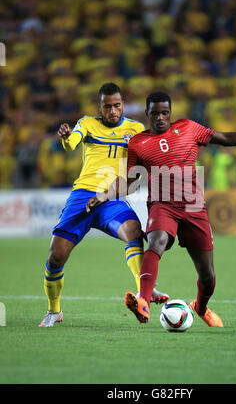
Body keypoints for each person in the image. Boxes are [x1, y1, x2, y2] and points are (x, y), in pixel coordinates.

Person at [86, 91, 236, 327]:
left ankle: (200, 307)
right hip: (162, 204)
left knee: (208, 276)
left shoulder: (188, 128)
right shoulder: (138, 143)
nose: (160, 118)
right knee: (156, 242)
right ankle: (144, 302)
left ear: (171, 113)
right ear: (147, 114)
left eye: (165, 113)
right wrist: (105, 194)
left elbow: (224, 138)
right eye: (155, 113)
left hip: (193, 206)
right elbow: (130, 181)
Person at [38, 83, 169, 327]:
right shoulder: (87, 123)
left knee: (133, 230)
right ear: (99, 106)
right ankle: (54, 310)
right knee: (56, 257)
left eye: (117, 105)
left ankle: (145, 290)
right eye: (107, 106)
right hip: (83, 196)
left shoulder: (135, 129)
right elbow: (72, 141)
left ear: (123, 105)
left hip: (113, 198)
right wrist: (67, 138)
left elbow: (146, 157)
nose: (112, 111)